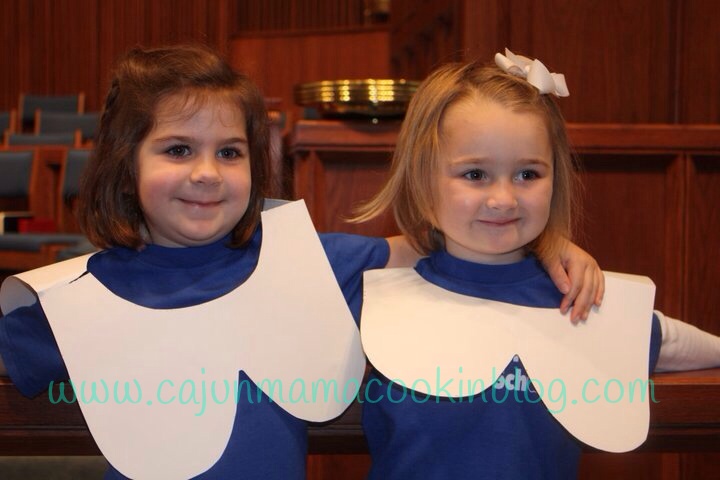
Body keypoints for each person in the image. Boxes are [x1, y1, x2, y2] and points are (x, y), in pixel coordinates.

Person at [0, 45, 602, 479]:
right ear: (124, 163)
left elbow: (439, 241)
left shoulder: (306, 263)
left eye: (230, 152)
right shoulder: (77, 298)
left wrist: (550, 243)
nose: (207, 173)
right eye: (178, 149)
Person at [354, 49, 720, 479]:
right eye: (475, 174)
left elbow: (661, 337)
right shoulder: (378, 294)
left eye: (528, 174)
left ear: (555, 178)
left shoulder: (571, 295)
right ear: (422, 178)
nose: (504, 199)